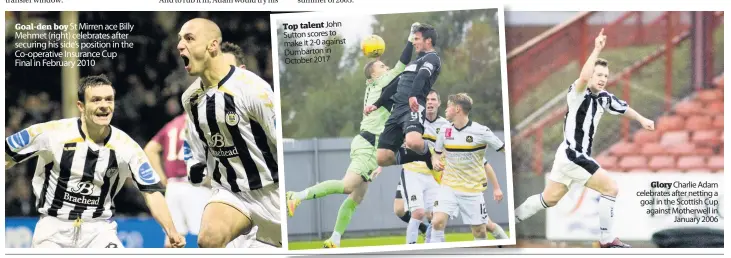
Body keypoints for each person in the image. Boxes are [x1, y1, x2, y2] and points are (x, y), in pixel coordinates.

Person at [5, 75, 185, 248]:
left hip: (98, 230)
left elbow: (152, 192)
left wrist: (171, 230)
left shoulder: (126, 147)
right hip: (53, 230)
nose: (104, 106)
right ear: (80, 106)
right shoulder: (51, 133)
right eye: (96, 100)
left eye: (109, 99)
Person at [513, 29, 655, 248]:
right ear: (591, 76)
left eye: (606, 76)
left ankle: (511, 223)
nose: (602, 79)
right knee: (611, 188)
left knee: (548, 199)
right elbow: (582, 78)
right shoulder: (577, 93)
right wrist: (597, 48)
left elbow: (623, 108)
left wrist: (642, 119)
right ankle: (606, 240)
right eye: (599, 75)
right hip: (573, 155)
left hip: (566, 155)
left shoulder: (604, 98)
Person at [285, 23, 420, 248]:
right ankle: (297, 196)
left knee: (356, 196)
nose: (387, 67)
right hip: (367, 144)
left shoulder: (376, 87)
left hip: (368, 143)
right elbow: (402, 63)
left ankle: (335, 238)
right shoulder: (379, 82)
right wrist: (410, 36)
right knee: (348, 186)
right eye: (382, 65)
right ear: (372, 76)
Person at [149, 41, 266, 248]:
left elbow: (151, 149)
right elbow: (194, 155)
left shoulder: (260, 105)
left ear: (242, 71)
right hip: (204, 189)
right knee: (207, 239)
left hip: (180, 188)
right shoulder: (200, 119)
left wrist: (164, 182)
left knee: (175, 240)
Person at [177, 18, 280, 248]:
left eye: (189, 38)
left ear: (212, 46)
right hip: (232, 193)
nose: (180, 45)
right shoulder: (190, 99)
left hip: (273, 193)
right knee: (209, 239)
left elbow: (279, 141)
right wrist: (195, 164)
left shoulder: (254, 89)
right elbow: (198, 143)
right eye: (180, 39)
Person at [429, 93, 508, 243]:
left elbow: (505, 150)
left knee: (480, 230)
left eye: (448, 106)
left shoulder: (481, 131)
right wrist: (435, 162)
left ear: (457, 109)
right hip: (449, 186)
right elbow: (436, 154)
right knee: (437, 221)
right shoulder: (444, 130)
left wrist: (497, 187)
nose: (445, 110)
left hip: (472, 190)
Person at [374, 24, 442, 171]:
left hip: (413, 106)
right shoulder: (413, 62)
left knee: (413, 142)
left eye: (417, 39)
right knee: (382, 158)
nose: (414, 42)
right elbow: (395, 85)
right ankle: (422, 156)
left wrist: (413, 96)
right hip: (397, 110)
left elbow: (422, 76)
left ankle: (430, 152)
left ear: (428, 41)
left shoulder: (432, 58)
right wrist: (376, 104)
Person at [392, 90, 448, 244]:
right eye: (427, 99)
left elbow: (450, 148)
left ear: (438, 103)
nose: (430, 102)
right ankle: (411, 248)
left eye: (433, 99)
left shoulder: (444, 125)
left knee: (437, 216)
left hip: (433, 175)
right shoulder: (414, 121)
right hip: (413, 172)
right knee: (417, 212)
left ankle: (434, 247)